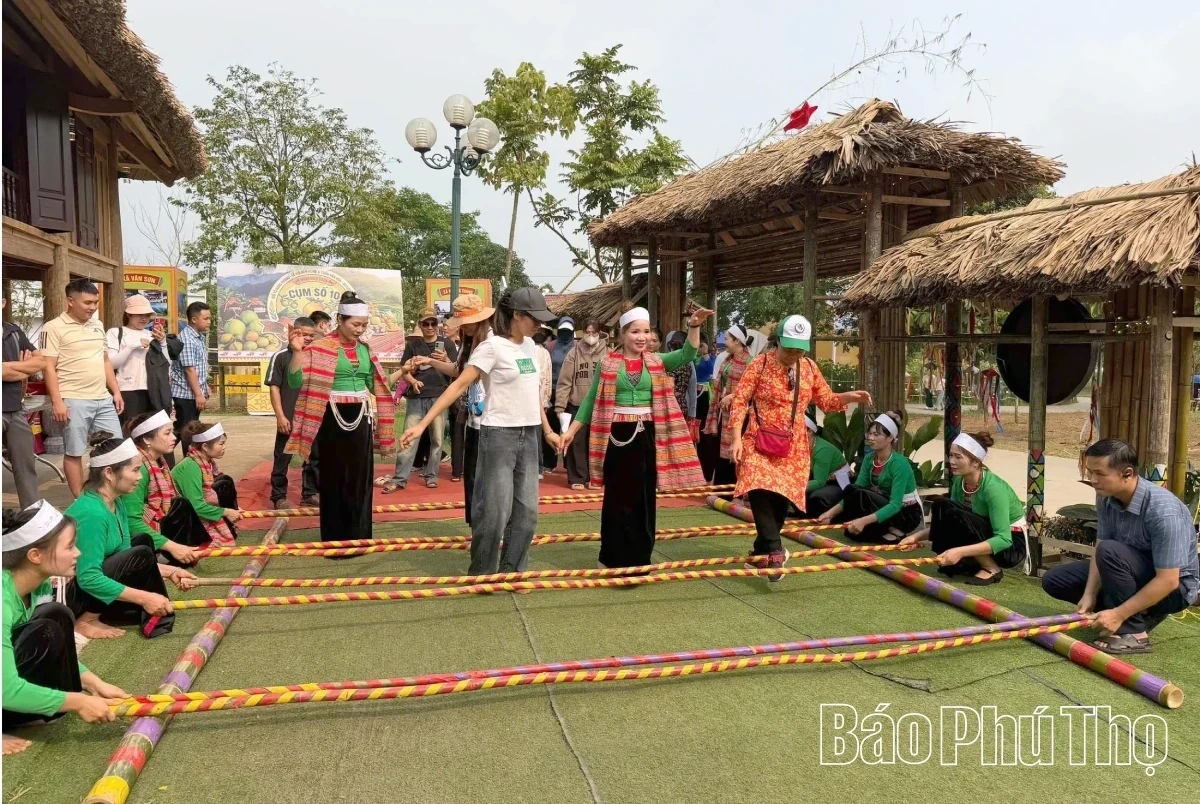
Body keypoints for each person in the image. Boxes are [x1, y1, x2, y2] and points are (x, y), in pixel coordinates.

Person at [401, 288, 561, 573]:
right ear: (516, 316)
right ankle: (482, 572)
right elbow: (458, 384)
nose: (539, 325)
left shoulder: (529, 347)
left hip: (530, 433)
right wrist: (422, 425)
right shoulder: (492, 347)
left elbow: (533, 392)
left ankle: (513, 570)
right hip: (498, 434)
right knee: (495, 512)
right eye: (534, 318)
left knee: (527, 513)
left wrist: (548, 430)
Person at [560, 306, 713, 569]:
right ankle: (610, 559)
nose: (641, 337)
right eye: (635, 331)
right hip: (616, 436)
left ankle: (640, 559)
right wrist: (571, 432)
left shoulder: (657, 361)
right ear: (623, 334)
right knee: (616, 499)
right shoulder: (608, 364)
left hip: (647, 436)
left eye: (646, 331)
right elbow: (590, 399)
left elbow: (688, 353)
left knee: (644, 498)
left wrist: (695, 326)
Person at [728, 315, 871, 575]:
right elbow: (740, 401)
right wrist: (736, 437)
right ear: (777, 343)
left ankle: (762, 551)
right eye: (788, 348)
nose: (793, 354)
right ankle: (774, 550)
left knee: (781, 497)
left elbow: (826, 400)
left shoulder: (809, 368)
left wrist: (847, 396)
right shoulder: (759, 365)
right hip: (757, 440)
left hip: (792, 446)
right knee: (757, 487)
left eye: (798, 349)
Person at [1041, 439, 1197, 654]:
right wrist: (1089, 594)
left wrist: (1118, 614)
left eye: (1099, 474)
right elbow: (1101, 546)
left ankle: (1134, 632)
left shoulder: (1163, 511)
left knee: (1111, 552)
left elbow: (1169, 580)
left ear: (1127, 473)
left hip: (1175, 588)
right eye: (1090, 472)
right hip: (1130, 571)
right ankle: (1138, 613)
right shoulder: (1106, 497)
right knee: (1055, 581)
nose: (1092, 480)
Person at [3, 501, 128, 756]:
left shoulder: (40, 586)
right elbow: (5, 689)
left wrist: (93, 682)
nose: (78, 553)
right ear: (35, 556)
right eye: (70, 546)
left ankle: (24, 713)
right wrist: (78, 701)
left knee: (55, 615)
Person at [286, 292, 396, 543]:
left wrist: (404, 373)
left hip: (361, 417)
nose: (360, 330)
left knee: (361, 477)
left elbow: (376, 385)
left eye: (364, 325)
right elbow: (294, 381)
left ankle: (360, 536)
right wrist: (296, 353)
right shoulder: (319, 348)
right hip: (331, 417)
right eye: (355, 324)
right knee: (334, 477)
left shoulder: (365, 350)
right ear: (339, 319)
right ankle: (335, 538)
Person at [66, 434, 195, 639]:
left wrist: (171, 571)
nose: (140, 477)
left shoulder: (117, 502)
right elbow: (88, 578)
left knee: (142, 542)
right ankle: (85, 620)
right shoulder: (92, 513)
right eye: (135, 470)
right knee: (142, 552)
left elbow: (125, 556)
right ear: (109, 473)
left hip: (92, 586)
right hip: (70, 596)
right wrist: (144, 598)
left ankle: (107, 612)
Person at [900, 431, 1028, 585]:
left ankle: (991, 568)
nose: (951, 461)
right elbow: (951, 521)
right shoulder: (960, 482)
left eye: (958, 457)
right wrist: (915, 537)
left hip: (1011, 546)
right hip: (984, 534)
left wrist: (959, 551)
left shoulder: (993, 489)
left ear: (975, 462)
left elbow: (1004, 539)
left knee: (944, 505)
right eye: (951, 455)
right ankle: (971, 562)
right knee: (944, 506)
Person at [40, 279, 124, 497]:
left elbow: (105, 360)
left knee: (117, 448)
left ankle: (110, 496)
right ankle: (80, 501)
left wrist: (115, 391)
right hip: (73, 399)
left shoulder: (97, 325)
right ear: (70, 301)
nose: (92, 307)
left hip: (102, 398)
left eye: (95, 302)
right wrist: (57, 401)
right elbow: (48, 367)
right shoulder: (53, 328)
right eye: (87, 302)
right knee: (75, 452)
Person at [817, 409, 923, 543]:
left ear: (890, 438)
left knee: (859, 523)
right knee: (852, 496)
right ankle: (881, 527)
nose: (870, 438)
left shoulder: (900, 464)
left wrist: (863, 521)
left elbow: (895, 504)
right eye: (870, 433)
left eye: (876, 434)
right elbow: (855, 491)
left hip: (905, 512)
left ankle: (895, 530)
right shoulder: (869, 459)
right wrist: (830, 514)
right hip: (882, 503)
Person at [383, 307, 458, 492]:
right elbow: (404, 370)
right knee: (409, 438)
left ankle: (431, 474)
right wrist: (413, 380)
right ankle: (400, 478)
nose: (430, 327)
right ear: (420, 325)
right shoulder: (413, 345)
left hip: (440, 395)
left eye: (433, 323)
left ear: (438, 324)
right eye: (426, 323)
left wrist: (446, 358)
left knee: (438, 439)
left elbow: (456, 370)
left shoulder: (447, 344)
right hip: (416, 397)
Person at [120, 411, 208, 559]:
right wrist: (172, 546)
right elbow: (131, 521)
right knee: (180, 505)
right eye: (167, 433)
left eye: (172, 432)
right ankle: (167, 556)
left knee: (179, 505)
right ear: (147, 439)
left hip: (152, 522)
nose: (174, 437)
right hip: (132, 535)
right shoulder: (138, 468)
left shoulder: (158, 461)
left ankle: (188, 550)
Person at [266, 317, 318, 508]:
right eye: (304, 335)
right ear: (293, 333)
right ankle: (279, 497)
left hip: (312, 418)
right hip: (289, 418)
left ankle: (310, 493)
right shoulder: (281, 356)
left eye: (311, 336)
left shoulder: (315, 356)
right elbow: (274, 388)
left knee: (314, 458)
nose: (308, 339)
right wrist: (280, 415)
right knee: (282, 458)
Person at [106, 294, 177, 426]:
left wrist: (162, 342)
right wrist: (131, 346)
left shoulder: (151, 335)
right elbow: (111, 364)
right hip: (127, 390)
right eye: (139, 314)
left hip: (154, 391)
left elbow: (167, 364)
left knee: (153, 433)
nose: (144, 318)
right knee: (129, 431)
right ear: (128, 314)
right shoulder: (116, 333)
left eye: (147, 314)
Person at [171, 421, 243, 548]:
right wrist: (225, 512)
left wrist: (232, 509)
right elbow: (196, 506)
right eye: (221, 444)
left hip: (195, 512)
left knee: (225, 482)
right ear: (204, 446)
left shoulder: (207, 463)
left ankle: (228, 521)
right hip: (179, 520)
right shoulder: (190, 466)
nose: (224, 447)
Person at [554, 320, 608, 490]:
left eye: (594, 332)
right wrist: (560, 406)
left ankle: (595, 477)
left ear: (600, 333)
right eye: (587, 332)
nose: (590, 336)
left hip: (601, 406)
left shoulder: (608, 353)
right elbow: (565, 380)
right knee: (576, 442)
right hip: (577, 404)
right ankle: (577, 477)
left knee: (598, 443)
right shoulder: (574, 352)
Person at [2, 299, 44, 509]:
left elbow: (41, 361)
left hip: (16, 408)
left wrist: (10, 367)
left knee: (26, 466)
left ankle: (33, 515)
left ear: (2, 303)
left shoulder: (14, 331)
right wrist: (23, 367)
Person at [703, 325, 754, 486]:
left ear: (737, 341)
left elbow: (753, 388)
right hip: (724, 412)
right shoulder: (727, 359)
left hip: (741, 414)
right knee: (720, 449)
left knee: (736, 448)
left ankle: (735, 489)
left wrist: (733, 396)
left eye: (727, 339)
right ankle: (720, 487)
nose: (724, 342)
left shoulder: (751, 362)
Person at [169, 301, 212, 460]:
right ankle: (190, 462)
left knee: (183, 428)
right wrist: (198, 394)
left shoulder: (198, 337)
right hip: (186, 394)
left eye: (209, 318)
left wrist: (204, 386)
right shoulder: (186, 339)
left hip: (193, 392)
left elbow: (200, 366)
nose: (209, 322)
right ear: (194, 320)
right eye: (206, 318)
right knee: (189, 431)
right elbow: (189, 369)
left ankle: (161, 456)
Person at [802, 414, 851, 518]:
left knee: (817, 498)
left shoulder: (822, 449)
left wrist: (796, 487)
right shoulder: (803, 446)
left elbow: (819, 482)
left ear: (809, 431)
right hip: (821, 481)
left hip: (837, 483)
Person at [664, 330, 698, 425]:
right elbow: (692, 388)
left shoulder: (664, 360)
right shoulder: (689, 362)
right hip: (683, 405)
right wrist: (693, 411)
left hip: (665, 406)